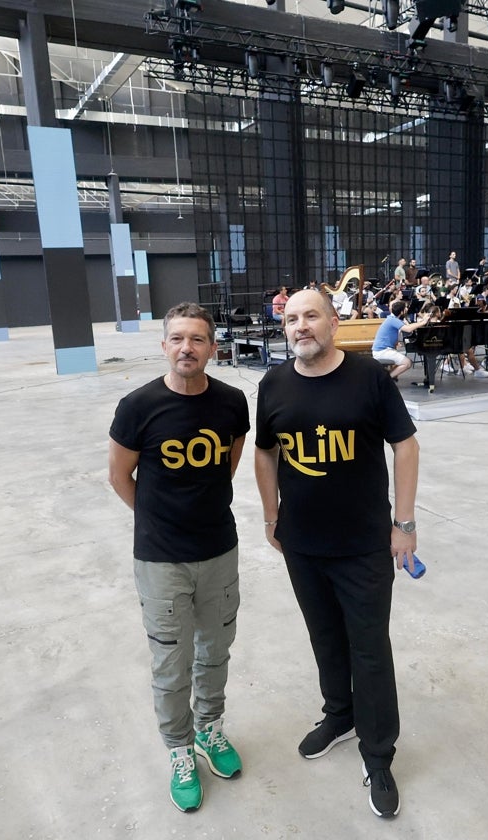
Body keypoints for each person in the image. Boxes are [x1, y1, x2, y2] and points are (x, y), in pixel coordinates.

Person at [254, 289, 420, 820]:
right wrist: (270, 514)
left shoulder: (368, 376)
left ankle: (378, 754)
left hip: (364, 543)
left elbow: (406, 445)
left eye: (312, 316)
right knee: (325, 636)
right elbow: (264, 451)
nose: (301, 326)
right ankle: (340, 715)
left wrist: (405, 524)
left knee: (369, 648)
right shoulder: (273, 384)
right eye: (292, 318)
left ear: (333, 322)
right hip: (302, 544)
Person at [108, 302, 250, 814]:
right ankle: (179, 748)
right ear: (163, 346)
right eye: (177, 339)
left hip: (219, 550)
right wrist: (158, 518)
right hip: (161, 559)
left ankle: (209, 729)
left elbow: (228, 463)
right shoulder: (137, 406)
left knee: (216, 649)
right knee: (172, 663)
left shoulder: (233, 403)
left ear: (213, 347)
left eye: (197, 339)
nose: (186, 347)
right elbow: (120, 477)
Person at [372, 299, 433, 381]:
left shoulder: (393, 319)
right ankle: (385, 380)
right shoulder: (393, 320)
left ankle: (387, 377)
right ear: (401, 312)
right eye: (406, 308)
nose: (407, 310)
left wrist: (423, 320)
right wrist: (423, 322)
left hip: (384, 350)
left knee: (404, 361)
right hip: (382, 352)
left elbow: (410, 326)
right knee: (408, 363)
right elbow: (408, 329)